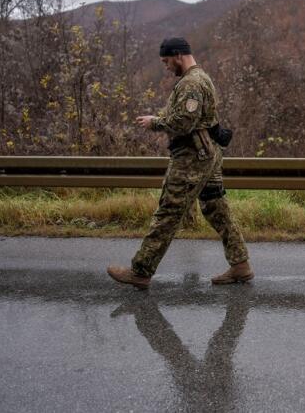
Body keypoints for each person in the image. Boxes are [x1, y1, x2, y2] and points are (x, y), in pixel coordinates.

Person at [107, 37, 253, 289]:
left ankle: (140, 272)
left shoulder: (191, 84)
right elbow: (193, 117)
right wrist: (161, 116)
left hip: (192, 159)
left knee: (169, 212)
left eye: (166, 61)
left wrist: (156, 122)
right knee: (216, 209)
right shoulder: (200, 78)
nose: (165, 66)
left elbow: (184, 122)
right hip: (207, 154)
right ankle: (240, 266)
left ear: (177, 55)